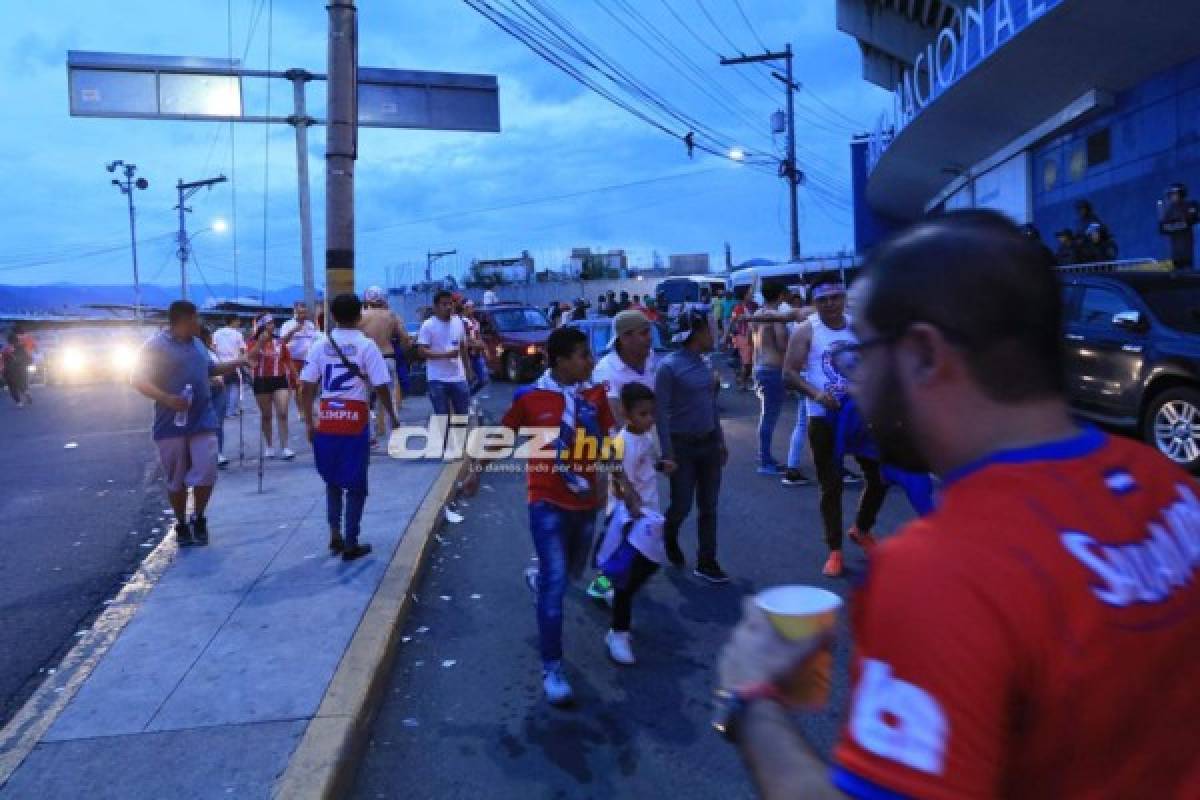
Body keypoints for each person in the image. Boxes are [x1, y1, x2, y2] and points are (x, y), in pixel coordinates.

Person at [716, 210, 1200, 799]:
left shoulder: (941, 574)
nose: (857, 379)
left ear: (923, 354)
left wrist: (751, 703)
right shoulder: (1172, 489)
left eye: (863, 353)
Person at [463, 326, 619, 706]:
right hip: (545, 498)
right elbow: (503, 435)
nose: (590, 360)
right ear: (562, 361)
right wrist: (477, 470)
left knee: (570, 574)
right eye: (582, 354)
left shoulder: (596, 395)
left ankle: (542, 575)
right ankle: (552, 667)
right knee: (554, 587)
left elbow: (608, 441)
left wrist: (611, 480)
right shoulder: (531, 398)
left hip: (584, 501)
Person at [783, 280, 887, 577]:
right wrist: (816, 394)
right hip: (824, 417)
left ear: (843, 297)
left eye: (835, 297)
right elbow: (788, 374)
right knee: (831, 485)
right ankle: (835, 550)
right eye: (823, 300)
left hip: (861, 414)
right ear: (814, 303)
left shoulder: (858, 326)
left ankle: (862, 529)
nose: (830, 304)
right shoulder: (808, 330)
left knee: (879, 475)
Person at [131, 301, 245, 546]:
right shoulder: (155, 346)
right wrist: (166, 399)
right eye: (196, 319)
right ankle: (181, 523)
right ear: (184, 320)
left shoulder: (197, 344)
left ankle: (199, 517)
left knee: (207, 472)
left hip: (203, 419)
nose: (200, 323)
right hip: (170, 424)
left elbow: (210, 368)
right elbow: (137, 379)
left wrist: (238, 363)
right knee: (176, 478)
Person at [300, 293, 398, 562]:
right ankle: (351, 542)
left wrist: (310, 421)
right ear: (359, 317)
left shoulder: (320, 345)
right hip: (355, 422)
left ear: (332, 316)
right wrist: (392, 416)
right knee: (356, 484)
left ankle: (335, 533)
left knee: (332, 479)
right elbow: (382, 386)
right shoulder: (367, 347)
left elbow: (306, 387)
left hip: (328, 419)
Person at [594, 382, 675, 665]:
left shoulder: (645, 437)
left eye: (651, 413)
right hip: (629, 519)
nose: (649, 419)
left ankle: (606, 585)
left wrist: (661, 467)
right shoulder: (623, 443)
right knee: (628, 579)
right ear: (627, 415)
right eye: (643, 414)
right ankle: (618, 633)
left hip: (648, 516)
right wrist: (630, 503)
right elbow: (617, 482)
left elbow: (646, 466)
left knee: (645, 566)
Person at [586, 309, 660, 603]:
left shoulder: (650, 360)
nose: (648, 338)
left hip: (641, 454)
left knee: (637, 526)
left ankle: (612, 582)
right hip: (619, 455)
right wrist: (619, 479)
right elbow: (613, 423)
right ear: (625, 337)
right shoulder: (606, 372)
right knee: (624, 524)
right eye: (643, 332)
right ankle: (608, 586)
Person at [657, 308, 729, 583]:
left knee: (708, 506)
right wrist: (667, 454)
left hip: (709, 444)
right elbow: (660, 414)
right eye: (711, 328)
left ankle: (707, 561)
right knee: (682, 505)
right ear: (698, 331)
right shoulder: (669, 367)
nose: (715, 333)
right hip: (682, 448)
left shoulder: (706, 363)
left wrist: (720, 441)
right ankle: (669, 534)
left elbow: (710, 405)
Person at [359, 286, 411, 446]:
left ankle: (370, 437)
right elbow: (405, 338)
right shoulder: (392, 315)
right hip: (388, 357)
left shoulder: (361, 316)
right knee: (389, 399)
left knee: (365, 400)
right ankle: (394, 436)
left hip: (366, 360)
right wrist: (402, 353)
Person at [749, 285, 791, 476]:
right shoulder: (776, 317)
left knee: (766, 415)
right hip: (772, 369)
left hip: (759, 366)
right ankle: (765, 461)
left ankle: (764, 455)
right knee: (769, 417)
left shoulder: (757, 314)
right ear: (781, 295)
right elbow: (783, 344)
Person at [247, 314, 297, 460]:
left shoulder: (279, 342)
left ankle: (285, 446)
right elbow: (250, 358)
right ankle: (269, 446)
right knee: (267, 415)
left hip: (280, 379)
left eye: (273, 323)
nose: (272, 326)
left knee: (282, 413)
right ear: (262, 326)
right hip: (261, 381)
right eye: (269, 323)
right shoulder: (252, 341)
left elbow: (288, 360)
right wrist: (260, 343)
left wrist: (296, 378)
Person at [417, 290, 472, 418]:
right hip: (437, 379)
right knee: (442, 417)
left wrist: (468, 369)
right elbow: (421, 351)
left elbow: (463, 347)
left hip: (458, 377)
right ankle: (446, 438)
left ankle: (460, 438)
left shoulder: (458, 322)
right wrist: (445, 355)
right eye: (444, 304)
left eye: (450, 304)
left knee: (462, 415)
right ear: (436, 307)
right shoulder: (428, 325)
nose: (448, 307)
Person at [198, 327, 231, 468]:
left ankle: (218, 453)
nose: (212, 339)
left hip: (219, 390)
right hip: (205, 390)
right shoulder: (198, 352)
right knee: (206, 423)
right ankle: (206, 454)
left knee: (218, 423)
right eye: (210, 336)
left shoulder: (212, 351)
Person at [280, 301, 319, 414]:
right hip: (293, 360)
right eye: (300, 312)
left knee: (311, 385)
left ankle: (308, 406)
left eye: (304, 312)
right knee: (298, 386)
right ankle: (301, 410)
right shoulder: (287, 324)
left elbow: (315, 339)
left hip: (309, 360)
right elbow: (281, 342)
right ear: (295, 312)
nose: (303, 315)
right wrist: (293, 331)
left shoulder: (310, 325)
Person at [1158, 182, 1199, 270]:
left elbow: (1191, 220)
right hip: (1176, 254)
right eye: (1171, 194)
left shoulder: (1190, 205)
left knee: (1189, 271)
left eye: (1174, 194)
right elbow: (1162, 229)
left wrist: (1173, 226)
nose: (1172, 197)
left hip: (1188, 252)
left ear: (1181, 194)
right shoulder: (1169, 210)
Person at [212, 316, 246, 417]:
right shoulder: (238, 334)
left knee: (224, 388)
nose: (239, 323)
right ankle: (231, 411)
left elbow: (213, 347)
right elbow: (243, 350)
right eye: (238, 321)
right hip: (234, 364)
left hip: (220, 364)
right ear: (233, 321)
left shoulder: (217, 333)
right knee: (234, 388)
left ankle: (223, 410)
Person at [461, 300, 490, 398]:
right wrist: (477, 344)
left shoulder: (475, 322)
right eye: (470, 307)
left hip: (477, 354)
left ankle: (468, 397)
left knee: (483, 380)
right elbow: (465, 339)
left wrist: (484, 349)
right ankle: (466, 401)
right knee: (468, 379)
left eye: (473, 307)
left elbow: (478, 336)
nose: (472, 309)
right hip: (467, 354)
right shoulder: (462, 322)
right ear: (465, 308)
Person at [2, 332, 32, 407]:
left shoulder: (5, 350)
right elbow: (29, 359)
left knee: (12, 387)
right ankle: (26, 392)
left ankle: (19, 402)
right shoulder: (22, 348)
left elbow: (2, 361)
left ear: (8, 341)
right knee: (22, 385)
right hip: (21, 370)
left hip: (9, 372)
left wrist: (2, 371)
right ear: (17, 340)